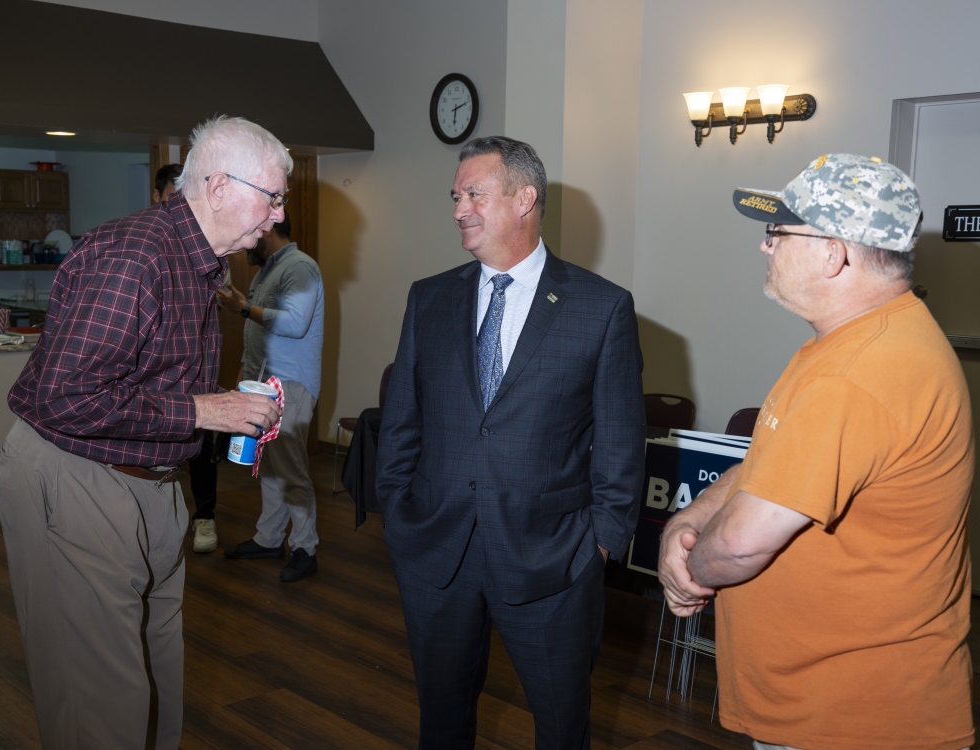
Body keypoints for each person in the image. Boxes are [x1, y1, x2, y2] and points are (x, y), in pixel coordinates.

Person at [658, 154, 974, 750]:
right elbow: (768, 460)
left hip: (853, 717)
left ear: (833, 254)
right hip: (837, 705)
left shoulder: (857, 372)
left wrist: (686, 575)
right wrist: (691, 517)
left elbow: (745, 542)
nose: (766, 247)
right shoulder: (860, 342)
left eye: (778, 232)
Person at [0, 115, 288, 750]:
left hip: (151, 480)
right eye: (271, 196)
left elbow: (150, 378)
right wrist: (205, 412)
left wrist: (218, 410)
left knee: (156, 681)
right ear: (215, 185)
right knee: (99, 701)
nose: (277, 215)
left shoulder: (202, 264)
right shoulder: (135, 255)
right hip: (77, 477)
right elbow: (68, 397)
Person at [376, 136, 645, 749]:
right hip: (435, 550)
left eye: (473, 193)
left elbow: (621, 439)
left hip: (552, 556)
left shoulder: (600, 308)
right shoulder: (429, 298)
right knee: (441, 720)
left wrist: (602, 541)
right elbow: (403, 419)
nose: (458, 209)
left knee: (559, 723)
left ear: (526, 199)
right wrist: (396, 508)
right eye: (454, 196)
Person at [219, 209, 324, 583]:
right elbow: (260, 331)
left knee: (291, 470)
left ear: (270, 229)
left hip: (291, 385)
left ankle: (305, 548)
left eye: (253, 231)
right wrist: (244, 377)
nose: (247, 240)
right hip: (264, 382)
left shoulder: (300, 267)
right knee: (270, 465)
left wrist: (243, 307)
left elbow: (295, 324)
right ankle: (268, 539)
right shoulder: (268, 270)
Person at [154, 162, 224, 553]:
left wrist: (211, 401)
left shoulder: (207, 264)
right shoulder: (144, 253)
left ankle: (204, 516)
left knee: (203, 454)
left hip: (196, 387)